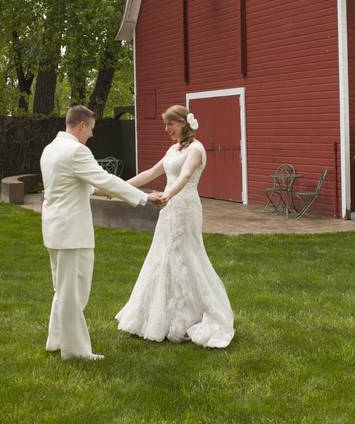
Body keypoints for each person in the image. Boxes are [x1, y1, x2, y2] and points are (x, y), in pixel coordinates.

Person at [40, 105, 163, 361]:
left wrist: (100, 191)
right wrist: (144, 197)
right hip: (71, 233)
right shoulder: (76, 150)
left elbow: (74, 185)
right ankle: (75, 351)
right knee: (73, 291)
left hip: (56, 229)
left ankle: (57, 340)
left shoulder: (51, 149)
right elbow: (105, 178)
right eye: (91, 129)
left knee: (63, 290)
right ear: (82, 125)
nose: (92, 135)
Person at [116, 104, 235, 348]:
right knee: (163, 255)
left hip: (185, 208)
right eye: (165, 124)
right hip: (169, 209)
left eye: (170, 123)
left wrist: (167, 195)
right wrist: (119, 187)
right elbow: (150, 173)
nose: (166, 129)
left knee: (186, 257)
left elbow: (185, 176)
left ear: (183, 123)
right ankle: (159, 314)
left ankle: (189, 314)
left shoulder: (196, 149)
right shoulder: (173, 149)